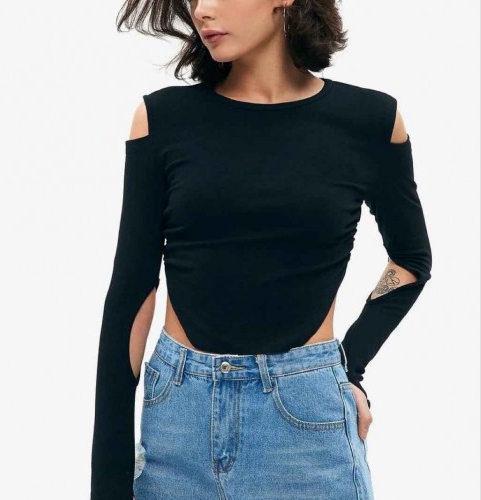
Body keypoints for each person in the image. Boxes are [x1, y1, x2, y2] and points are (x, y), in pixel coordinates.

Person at [90, 0, 433, 499]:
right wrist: (108, 479)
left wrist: (348, 369)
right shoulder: (163, 118)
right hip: (177, 419)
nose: (202, 10)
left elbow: (411, 260)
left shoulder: (370, 120)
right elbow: (131, 289)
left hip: (306, 420)